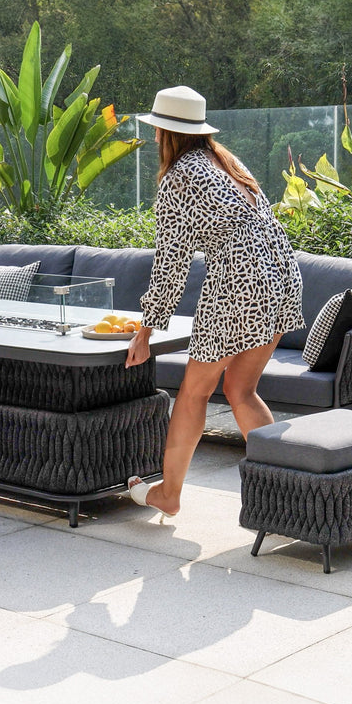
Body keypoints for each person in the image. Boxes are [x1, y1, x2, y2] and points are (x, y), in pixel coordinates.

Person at [125, 86, 304, 518]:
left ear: (164, 132)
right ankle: (294, 492)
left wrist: (145, 332)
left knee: (193, 393)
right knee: (241, 391)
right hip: (281, 271)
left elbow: (171, 263)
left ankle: (168, 494)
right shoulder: (226, 160)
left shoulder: (178, 177)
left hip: (239, 281)